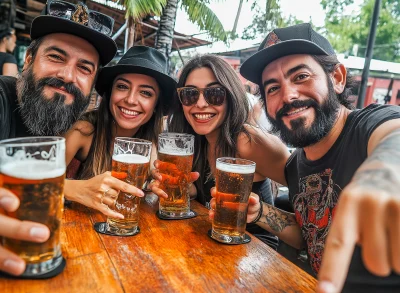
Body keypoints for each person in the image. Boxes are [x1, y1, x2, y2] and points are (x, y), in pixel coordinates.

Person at [208, 23, 400, 293]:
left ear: (337, 78)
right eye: (273, 88)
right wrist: (261, 212)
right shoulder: (297, 166)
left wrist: (385, 173)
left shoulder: (367, 128)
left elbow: (394, 135)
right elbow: (307, 236)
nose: (288, 96)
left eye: (300, 76)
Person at [0, 0, 129, 276]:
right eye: (56, 57)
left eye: (84, 68)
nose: (67, 76)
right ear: (29, 59)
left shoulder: (61, 119)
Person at [151, 54, 289, 249]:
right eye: (190, 94)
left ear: (231, 96)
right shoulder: (196, 142)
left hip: (255, 253)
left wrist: (260, 212)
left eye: (214, 93)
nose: (200, 104)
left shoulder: (247, 140)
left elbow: (309, 212)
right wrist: (188, 191)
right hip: (209, 244)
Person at [64, 46, 176, 217]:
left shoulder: (155, 143)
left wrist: (180, 186)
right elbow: (35, 180)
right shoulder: (83, 131)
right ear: (109, 94)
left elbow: (173, 189)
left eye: (145, 93)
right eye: (122, 86)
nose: (130, 100)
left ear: (155, 106)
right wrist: (76, 189)